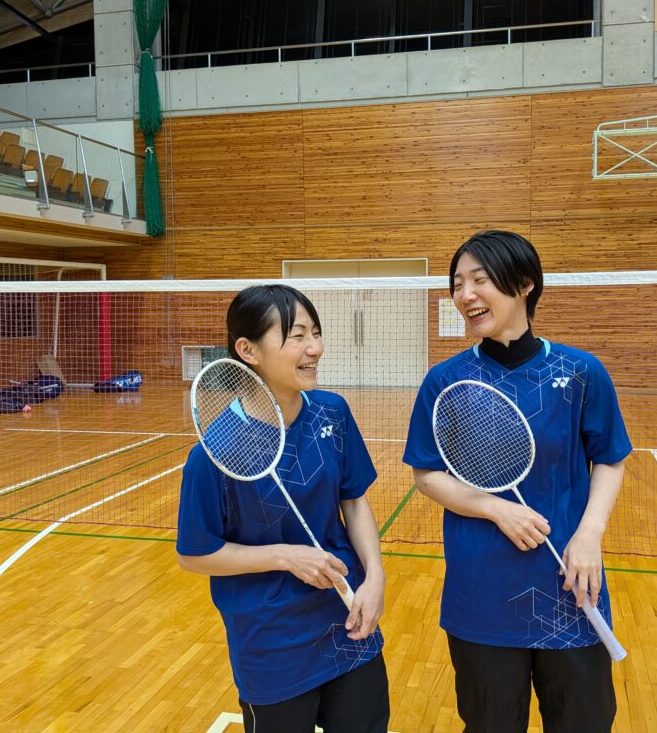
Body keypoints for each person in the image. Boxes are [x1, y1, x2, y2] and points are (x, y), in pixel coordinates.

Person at [403, 230, 631, 733]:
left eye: (479, 280)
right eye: (457, 284)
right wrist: (494, 507)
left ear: (525, 284)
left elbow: (610, 458)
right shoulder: (445, 380)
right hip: (482, 594)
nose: (465, 295)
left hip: (569, 587)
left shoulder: (581, 371)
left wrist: (590, 535)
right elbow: (427, 473)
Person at [177, 284, 390, 733]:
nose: (314, 348)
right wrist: (285, 556)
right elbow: (195, 554)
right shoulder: (214, 452)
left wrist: (375, 577)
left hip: (348, 621)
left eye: (316, 333)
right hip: (272, 643)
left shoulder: (332, 412)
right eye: (297, 336)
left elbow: (354, 502)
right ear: (248, 350)